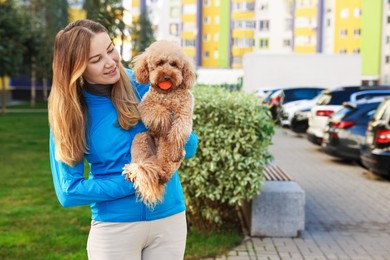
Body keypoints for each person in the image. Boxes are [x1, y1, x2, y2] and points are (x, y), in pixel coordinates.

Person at [48, 19, 198, 260]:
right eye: (96, 60)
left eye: (110, 49)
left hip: (169, 221)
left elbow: (189, 148)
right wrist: (139, 180)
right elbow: (69, 192)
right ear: (76, 69)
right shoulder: (70, 114)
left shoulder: (143, 84)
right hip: (114, 230)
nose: (110, 63)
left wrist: (177, 135)